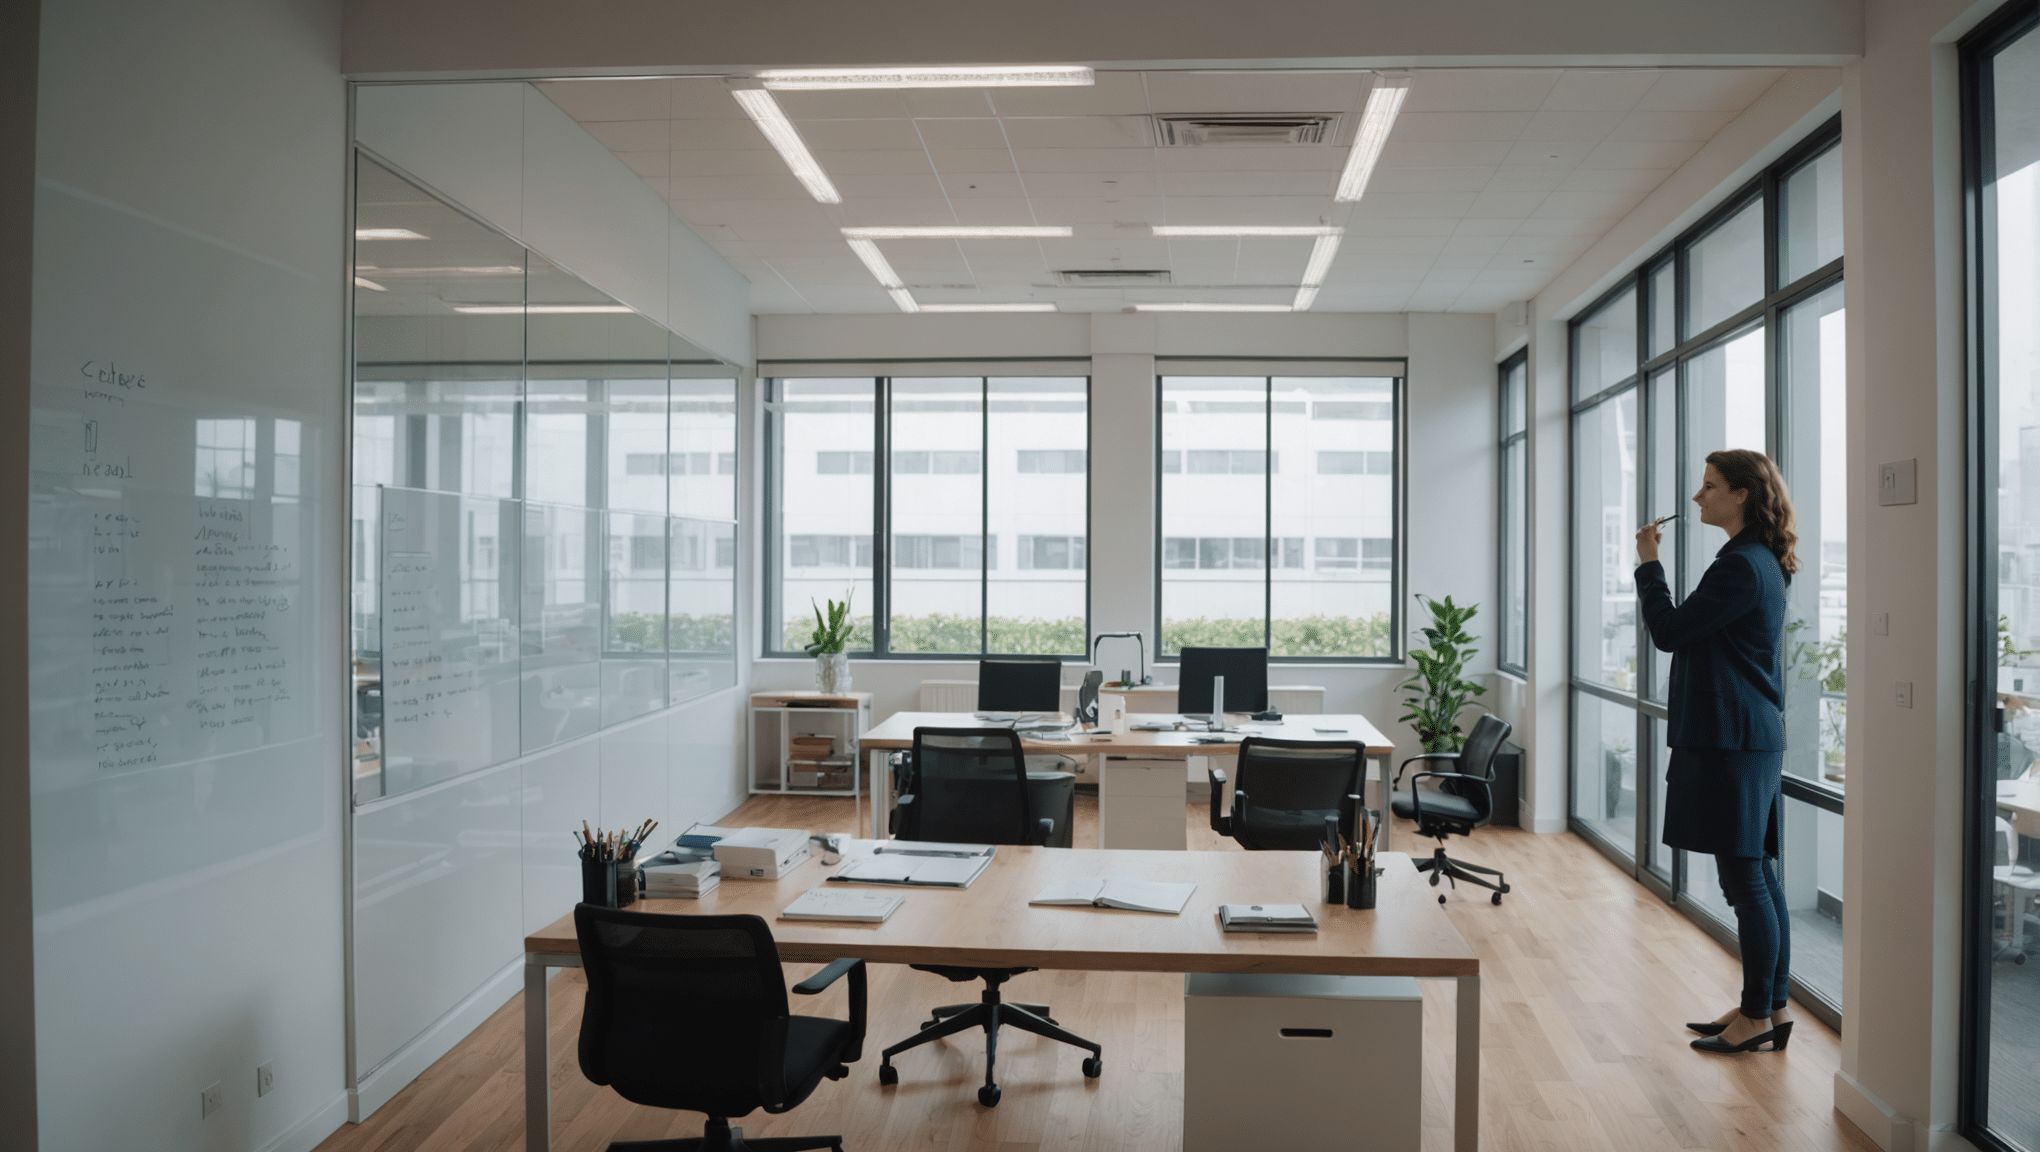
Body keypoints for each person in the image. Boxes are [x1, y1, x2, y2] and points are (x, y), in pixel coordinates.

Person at [1634, 448, 1798, 1055]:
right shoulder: (1756, 560)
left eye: (1709, 487)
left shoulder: (1738, 567)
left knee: (1745, 879)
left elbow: (1671, 632)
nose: (1698, 498)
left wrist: (1649, 564)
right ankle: (1769, 1005)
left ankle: (1758, 1014)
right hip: (1746, 735)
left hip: (1734, 739)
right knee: (1758, 876)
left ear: (1742, 496)